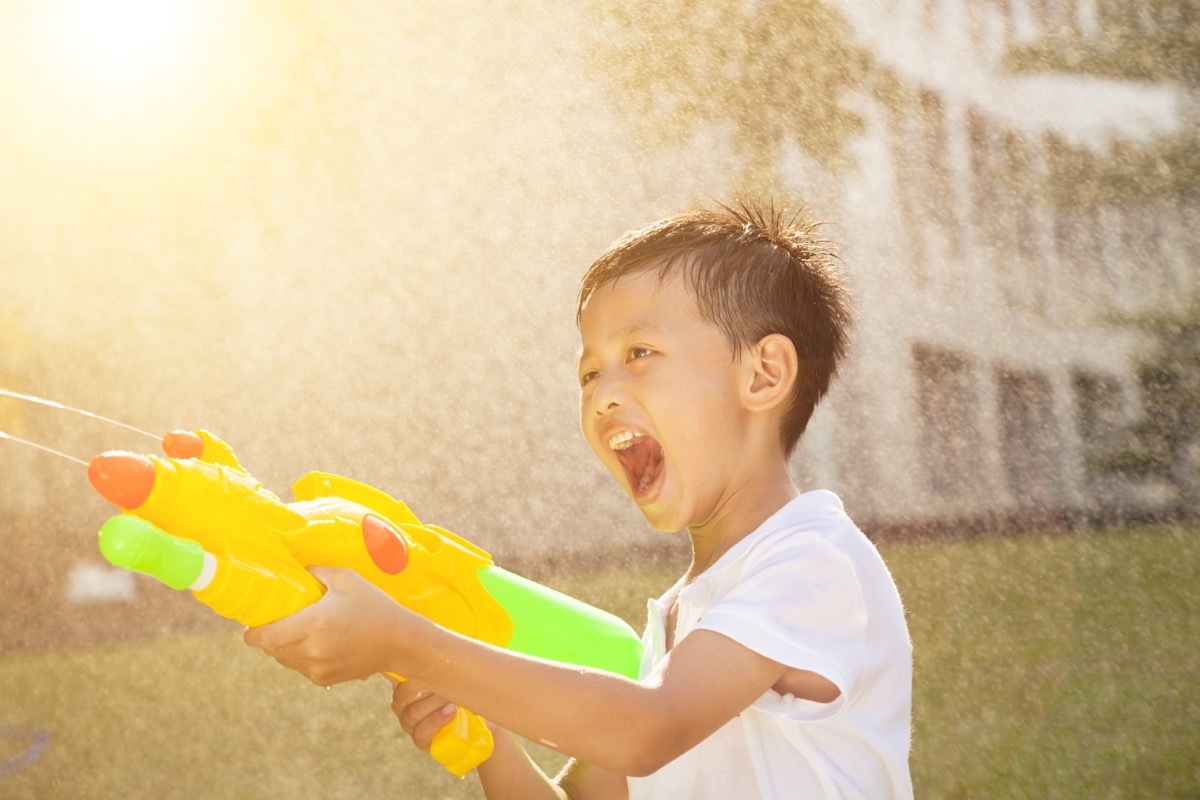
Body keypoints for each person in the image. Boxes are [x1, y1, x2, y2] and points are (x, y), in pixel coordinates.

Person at [244, 199, 913, 799]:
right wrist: (486, 732)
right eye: (589, 371)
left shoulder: (814, 565)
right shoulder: (685, 616)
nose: (602, 393)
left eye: (640, 352)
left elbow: (650, 728)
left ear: (763, 375)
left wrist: (411, 644)